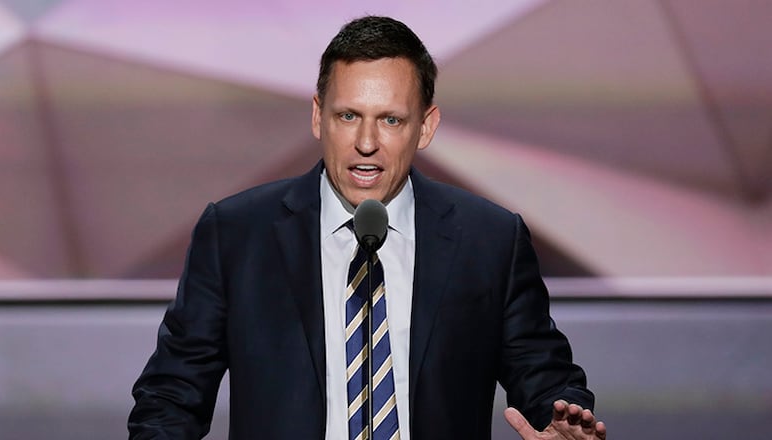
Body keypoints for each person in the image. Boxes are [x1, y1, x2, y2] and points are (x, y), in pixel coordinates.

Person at [128, 16, 607, 440]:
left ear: (426, 126)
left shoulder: (489, 239)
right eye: (348, 115)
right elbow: (172, 395)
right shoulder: (236, 233)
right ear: (319, 116)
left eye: (391, 120)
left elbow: (545, 379)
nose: (365, 142)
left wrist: (564, 422)